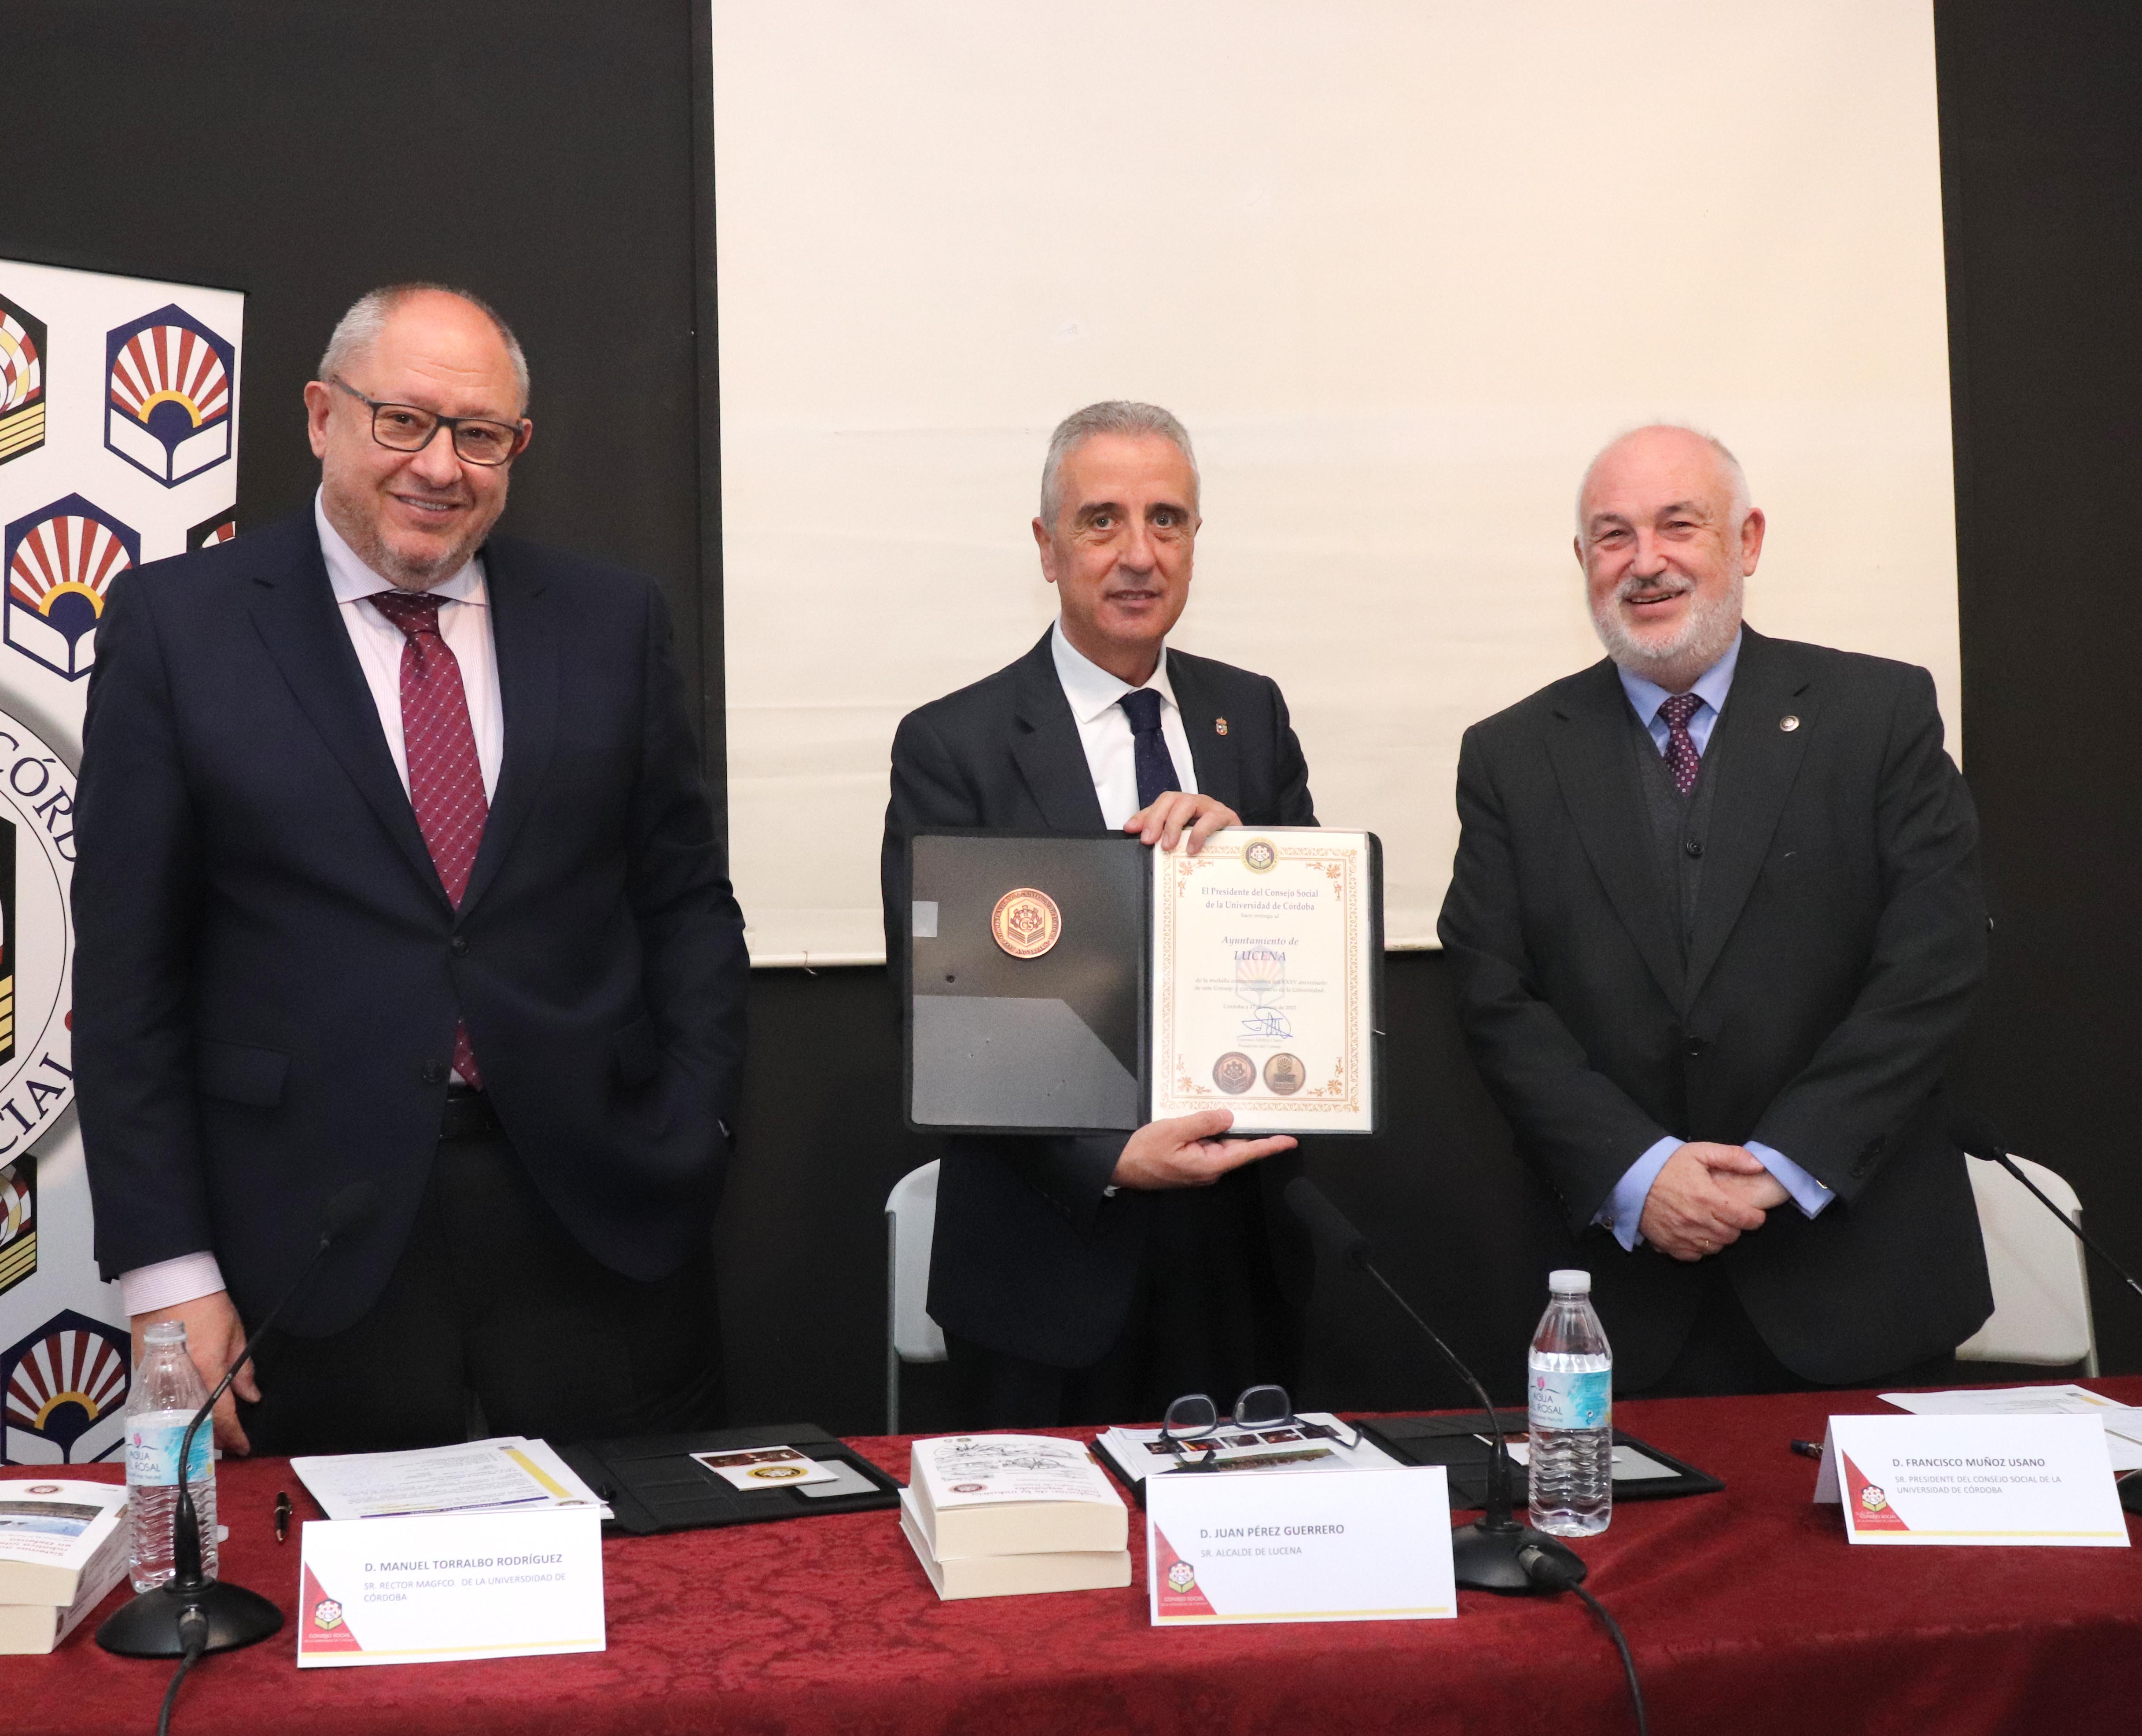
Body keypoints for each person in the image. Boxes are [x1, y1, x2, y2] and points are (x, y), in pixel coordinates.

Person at [74, 284, 746, 1453]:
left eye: (479, 435)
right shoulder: (179, 628)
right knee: (337, 1613)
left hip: (591, 1218)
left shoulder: (611, 622)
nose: (440, 466)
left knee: (646, 1606)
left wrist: (696, 1125)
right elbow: (131, 982)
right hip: (306, 1239)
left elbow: (682, 899)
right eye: (403, 422)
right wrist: (166, 1274)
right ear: (321, 414)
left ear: (516, 450)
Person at [1438, 423, 1991, 1396]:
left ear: (1748, 540)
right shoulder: (1512, 756)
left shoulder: (1881, 715)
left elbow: (1933, 963)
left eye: (1678, 525)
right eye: (1613, 536)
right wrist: (1640, 1172)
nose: (1645, 562)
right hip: (1617, 1315)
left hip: (1859, 1289)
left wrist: (1788, 1159)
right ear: (1581, 562)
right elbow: (1494, 992)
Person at [880, 400, 1314, 1427]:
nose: (1138, 554)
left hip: (1236, 1257)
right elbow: (940, 1013)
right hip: (1048, 1268)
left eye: (1167, 520)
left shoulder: (1248, 714)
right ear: (1046, 545)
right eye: (1101, 520)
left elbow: (1310, 966)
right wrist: (1107, 1156)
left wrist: (1255, 861)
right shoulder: (957, 744)